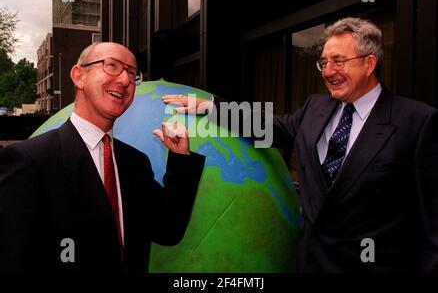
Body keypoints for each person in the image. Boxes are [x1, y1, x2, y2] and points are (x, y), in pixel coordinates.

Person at [162, 18, 438, 272]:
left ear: (369, 63)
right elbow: (273, 128)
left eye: (339, 61)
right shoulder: (316, 106)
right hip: (310, 263)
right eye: (323, 63)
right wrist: (210, 107)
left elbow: (431, 224)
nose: (328, 71)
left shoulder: (417, 121)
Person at [0, 42, 205, 272]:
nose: (125, 80)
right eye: (112, 66)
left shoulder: (135, 163)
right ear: (79, 76)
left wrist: (180, 158)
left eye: (131, 73)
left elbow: (168, 229)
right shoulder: (30, 161)